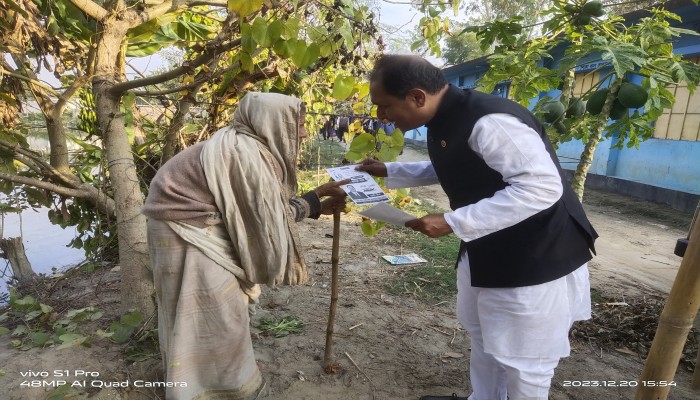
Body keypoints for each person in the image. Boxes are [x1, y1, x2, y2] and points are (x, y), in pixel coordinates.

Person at [357, 54, 598, 400]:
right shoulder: (446, 117)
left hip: (534, 256)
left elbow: (542, 187)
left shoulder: (491, 122)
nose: (381, 116)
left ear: (416, 97)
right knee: (485, 339)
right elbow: (457, 161)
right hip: (489, 249)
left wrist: (453, 221)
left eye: (384, 106)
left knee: (524, 363)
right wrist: (390, 172)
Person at [143, 92, 349, 400]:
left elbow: (260, 210)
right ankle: (213, 389)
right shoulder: (243, 154)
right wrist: (313, 204)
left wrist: (314, 200)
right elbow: (262, 222)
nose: (304, 132)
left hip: (188, 227)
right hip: (185, 232)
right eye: (299, 124)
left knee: (205, 313)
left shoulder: (244, 146)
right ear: (272, 122)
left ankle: (199, 382)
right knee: (213, 314)